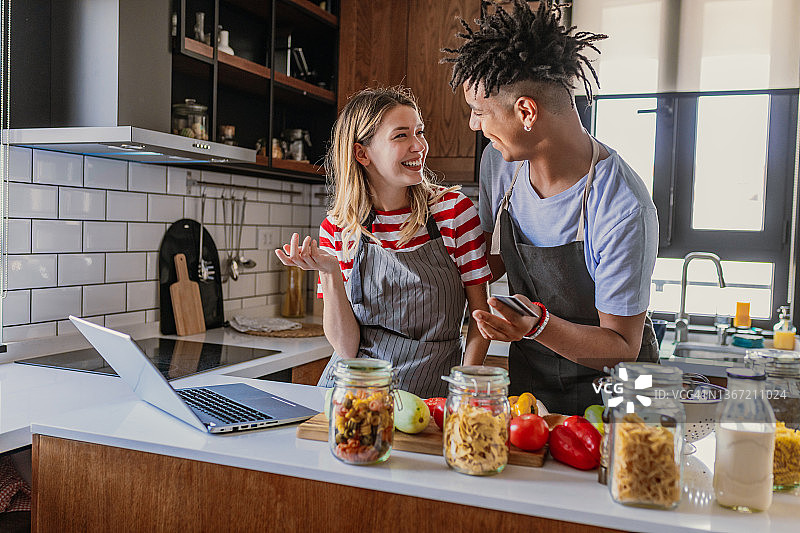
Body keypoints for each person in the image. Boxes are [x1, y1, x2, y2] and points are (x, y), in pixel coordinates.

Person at [442, 0, 660, 414]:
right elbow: (489, 265)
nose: (474, 125)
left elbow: (621, 346)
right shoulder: (499, 164)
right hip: (534, 387)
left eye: (478, 112)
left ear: (526, 111)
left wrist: (536, 325)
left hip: (619, 399)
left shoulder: (622, 207)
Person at [276, 86, 492, 398]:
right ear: (362, 153)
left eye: (419, 132)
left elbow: (480, 316)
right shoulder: (338, 228)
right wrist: (330, 272)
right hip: (352, 392)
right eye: (401, 135)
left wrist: (465, 392)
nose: (419, 146)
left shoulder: (453, 213)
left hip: (430, 390)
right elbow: (347, 348)